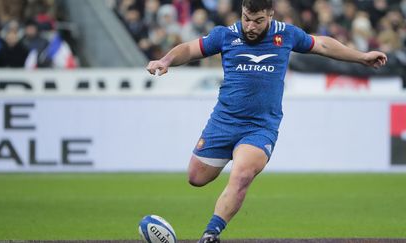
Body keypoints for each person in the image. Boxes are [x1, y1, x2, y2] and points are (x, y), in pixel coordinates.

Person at [146, 0, 387, 242]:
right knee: (196, 177)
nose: (250, 26)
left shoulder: (287, 35)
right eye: (246, 18)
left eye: (258, 21)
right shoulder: (225, 36)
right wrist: (165, 61)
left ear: (270, 15)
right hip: (223, 121)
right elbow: (189, 49)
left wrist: (362, 57)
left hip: (260, 127)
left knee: (242, 174)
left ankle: (211, 233)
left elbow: (323, 44)